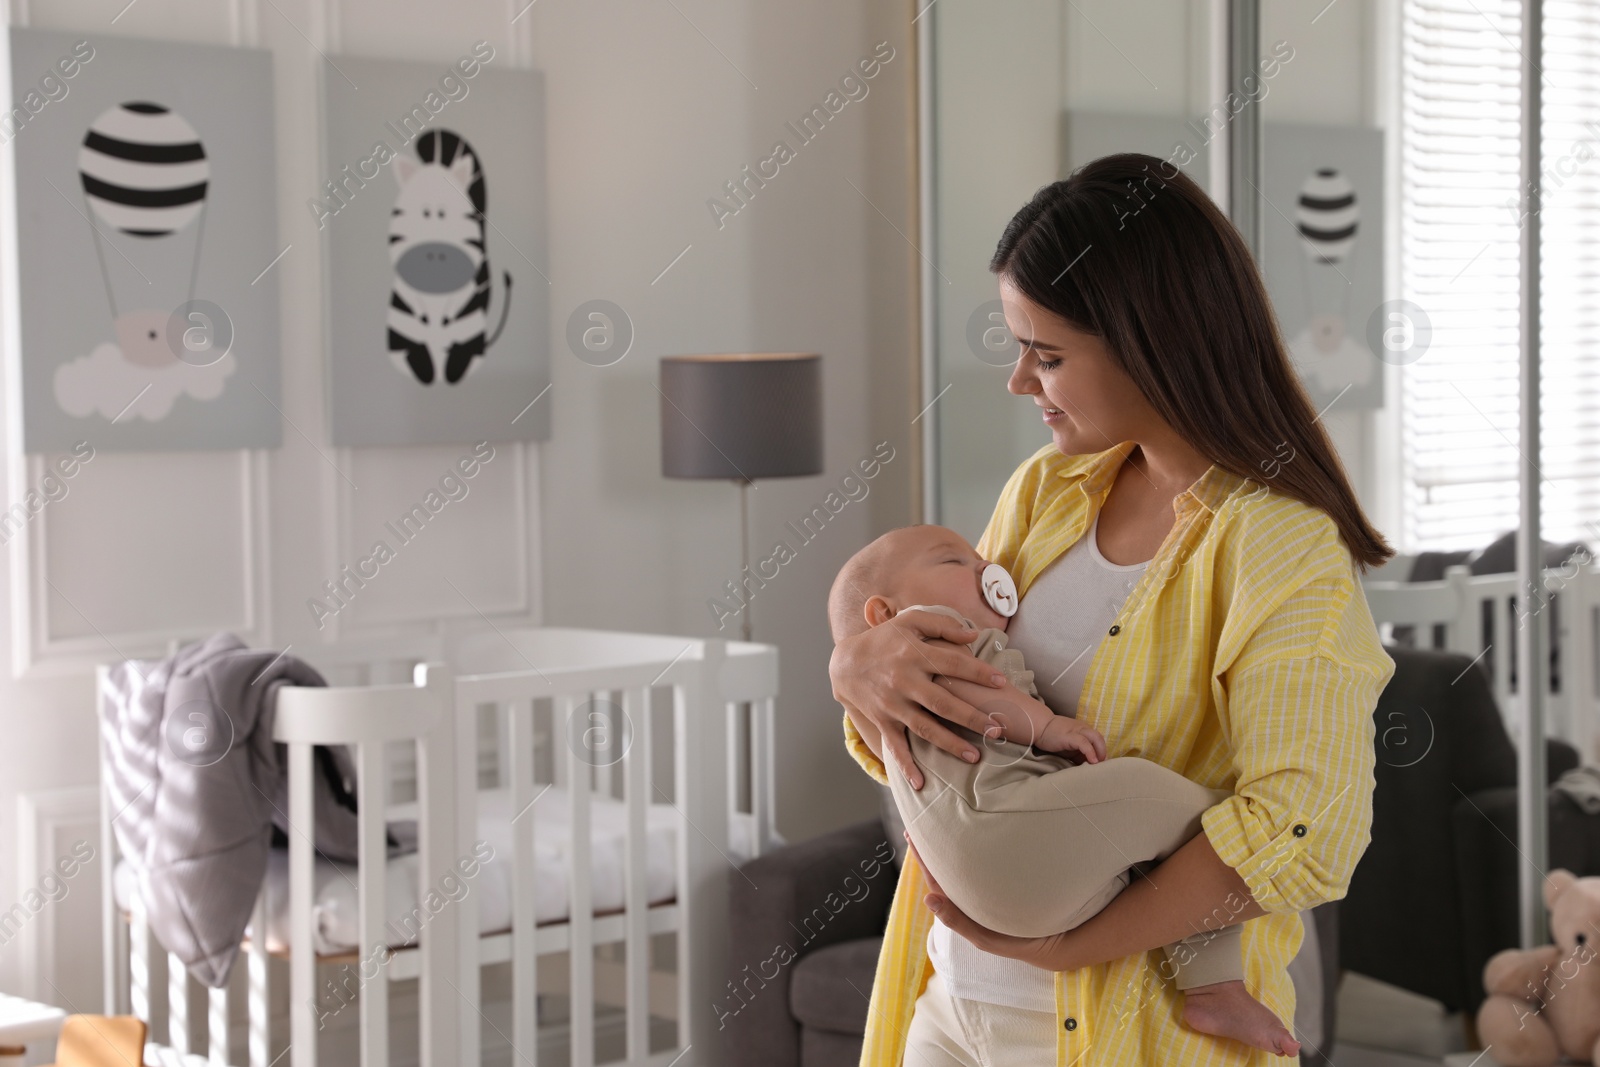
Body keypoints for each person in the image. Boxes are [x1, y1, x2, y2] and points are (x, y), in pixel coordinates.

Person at [827, 153, 1395, 1066]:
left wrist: (1069, 945)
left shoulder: (1277, 547)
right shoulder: (1044, 494)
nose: (1020, 381)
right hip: (952, 997)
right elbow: (953, 722)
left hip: (1137, 1030)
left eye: (1046, 355)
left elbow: (1304, 827)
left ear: (1152, 341)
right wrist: (856, 669)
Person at [829, 523, 1300, 1055]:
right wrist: (1049, 728)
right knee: (1205, 825)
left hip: (978, 886)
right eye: (953, 562)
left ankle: (1214, 985)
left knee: (1162, 855)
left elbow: (892, 753)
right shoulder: (938, 635)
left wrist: (847, 672)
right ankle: (1214, 984)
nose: (988, 569)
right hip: (1007, 841)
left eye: (979, 558)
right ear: (885, 614)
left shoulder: (882, 703)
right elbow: (990, 697)